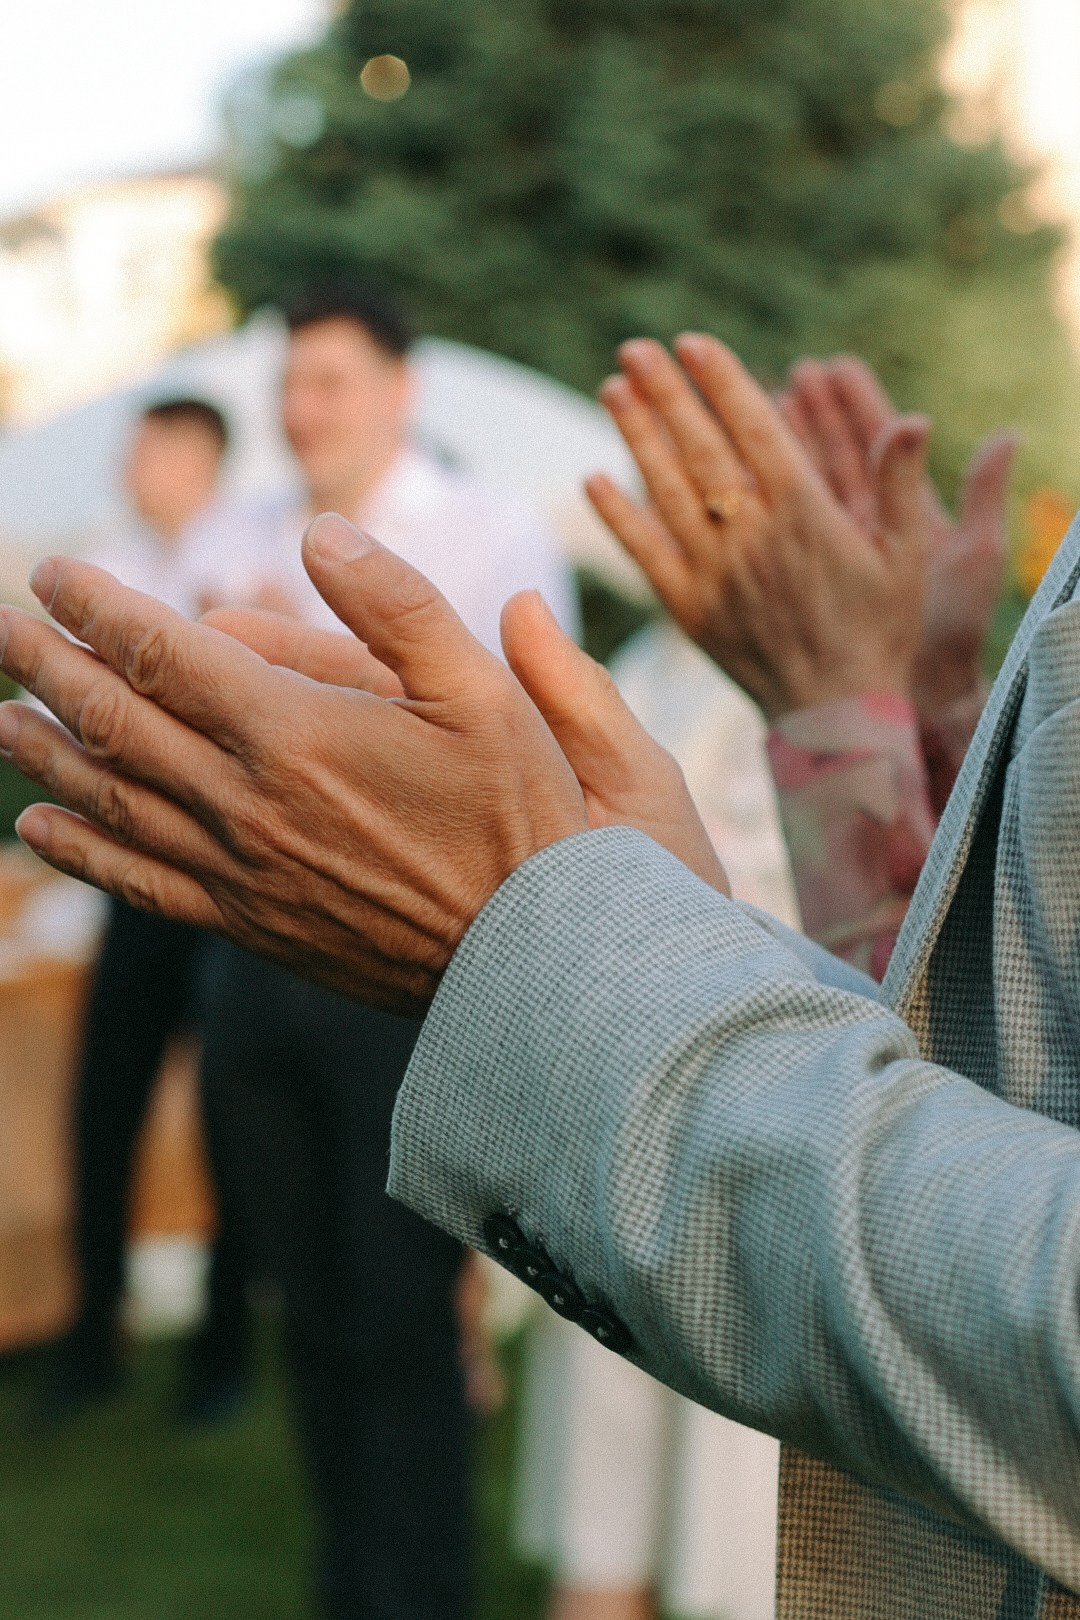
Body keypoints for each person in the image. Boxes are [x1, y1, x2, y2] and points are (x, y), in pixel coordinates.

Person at [6, 334, 1080, 1616]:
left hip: (511, 1020)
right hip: (324, 979)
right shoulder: (246, 524)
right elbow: (999, 1076)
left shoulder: (484, 527)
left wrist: (558, 950)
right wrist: (857, 710)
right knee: (383, 1358)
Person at [181, 282, 577, 1620]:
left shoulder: (489, 531)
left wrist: (325, 675)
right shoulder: (233, 531)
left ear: (401, 391)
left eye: (331, 382)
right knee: (307, 1301)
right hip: (249, 963)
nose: (303, 410)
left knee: (402, 1310)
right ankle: (348, 1579)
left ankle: (422, 1591)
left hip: (411, 968)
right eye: (291, 384)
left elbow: (532, 749)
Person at [41, 396, 251, 1427]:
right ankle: (94, 1335)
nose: (131, 464)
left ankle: (222, 1350)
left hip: (227, 889)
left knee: (228, 1116)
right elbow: (53, 710)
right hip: (133, 882)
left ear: (197, 456)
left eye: (149, 448)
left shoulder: (254, 556)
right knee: (103, 1106)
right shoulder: (107, 561)